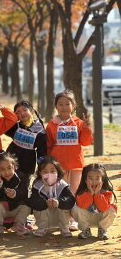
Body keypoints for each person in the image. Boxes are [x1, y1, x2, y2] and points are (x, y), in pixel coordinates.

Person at [46, 89, 93, 230]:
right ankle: (62, 218)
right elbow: (49, 145)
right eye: (60, 104)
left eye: (67, 104)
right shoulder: (51, 124)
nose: (64, 107)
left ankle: (72, 218)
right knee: (59, 192)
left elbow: (85, 142)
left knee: (74, 192)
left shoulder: (79, 123)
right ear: (56, 106)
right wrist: (49, 163)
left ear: (73, 106)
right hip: (58, 165)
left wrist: (86, 129)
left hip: (76, 164)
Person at [27, 155, 75, 237]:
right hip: (45, 218)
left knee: (66, 206)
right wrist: (45, 203)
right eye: (45, 172)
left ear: (58, 171)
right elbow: (32, 201)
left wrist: (59, 202)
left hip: (59, 217)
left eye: (52, 171)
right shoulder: (37, 186)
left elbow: (71, 200)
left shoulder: (63, 185)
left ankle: (64, 228)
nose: (49, 174)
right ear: (40, 173)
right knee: (37, 205)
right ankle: (42, 228)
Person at [0, 150, 30, 236]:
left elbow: (24, 193)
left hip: (16, 207)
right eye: (2, 169)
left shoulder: (21, 176)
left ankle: (19, 224)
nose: (6, 172)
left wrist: (15, 194)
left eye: (9, 168)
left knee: (27, 205)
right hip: (2, 209)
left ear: (14, 166)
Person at [5, 100, 46, 185]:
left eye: (24, 110)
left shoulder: (40, 130)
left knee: (24, 185)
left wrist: (42, 164)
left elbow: (41, 150)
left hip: (27, 163)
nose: (22, 113)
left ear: (32, 111)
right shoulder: (15, 126)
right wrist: (12, 116)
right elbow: (4, 126)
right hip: (11, 159)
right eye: (18, 112)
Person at [72, 163, 117, 240]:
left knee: (111, 210)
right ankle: (85, 230)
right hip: (86, 219)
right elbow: (82, 206)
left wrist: (97, 194)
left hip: (100, 218)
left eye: (97, 178)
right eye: (90, 178)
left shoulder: (106, 192)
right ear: (86, 180)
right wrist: (90, 193)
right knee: (75, 208)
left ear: (102, 180)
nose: (94, 181)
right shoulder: (82, 192)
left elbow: (104, 208)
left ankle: (102, 230)